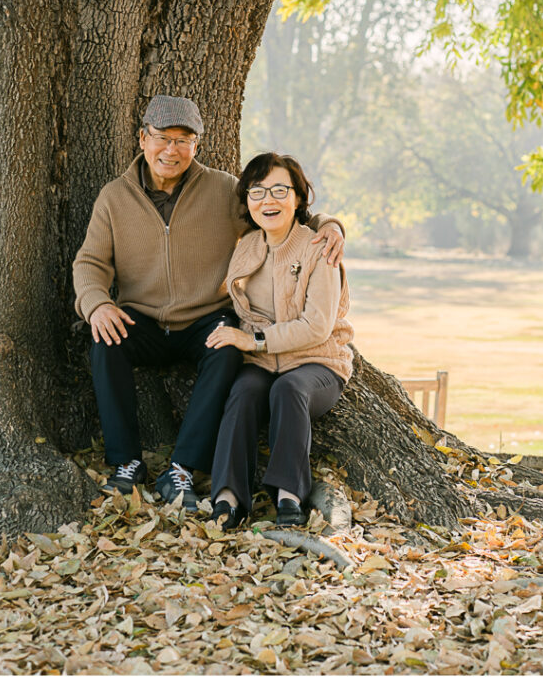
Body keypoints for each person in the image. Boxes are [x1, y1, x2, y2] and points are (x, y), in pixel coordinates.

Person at [72, 96, 345, 507]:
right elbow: (90, 262)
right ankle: (126, 463)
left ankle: (181, 470)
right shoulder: (114, 198)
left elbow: (278, 213)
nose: (172, 149)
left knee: (226, 349)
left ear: (196, 146)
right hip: (142, 318)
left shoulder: (221, 189)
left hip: (205, 317)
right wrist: (96, 303)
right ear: (142, 139)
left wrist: (330, 225)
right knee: (105, 340)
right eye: (163, 138)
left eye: (184, 140)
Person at [206, 152, 354, 528]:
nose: (267, 200)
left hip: (316, 362)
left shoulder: (320, 248)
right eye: (257, 191)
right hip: (262, 363)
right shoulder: (247, 247)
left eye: (278, 190)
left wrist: (253, 340)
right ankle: (228, 497)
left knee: (289, 389)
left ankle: (289, 496)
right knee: (242, 393)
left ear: (298, 198)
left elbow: (316, 326)